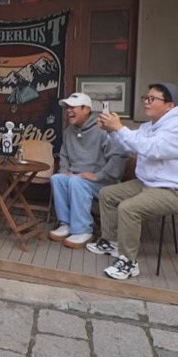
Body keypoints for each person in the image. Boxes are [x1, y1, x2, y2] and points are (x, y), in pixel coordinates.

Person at [87, 82, 178, 281]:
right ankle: (112, 242)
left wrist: (120, 127)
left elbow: (152, 149)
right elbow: (129, 147)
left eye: (152, 99)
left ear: (170, 105)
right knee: (107, 194)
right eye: (146, 98)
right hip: (152, 184)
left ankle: (128, 262)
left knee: (129, 208)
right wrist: (112, 131)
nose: (146, 102)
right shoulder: (149, 126)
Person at [48, 92, 128, 248]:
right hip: (77, 177)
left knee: (76, 182)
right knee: (57, 178)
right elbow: (63, 155)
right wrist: (64, 170)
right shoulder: (69, 131)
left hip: (104, 181)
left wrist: (98, 176)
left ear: (87, 109)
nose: (69, 111)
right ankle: (66, 223)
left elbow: (119, 157)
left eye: (73, 107)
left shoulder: (103, 129)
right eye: (67, 107)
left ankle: (83, 230)